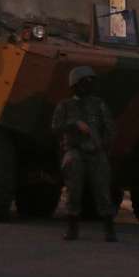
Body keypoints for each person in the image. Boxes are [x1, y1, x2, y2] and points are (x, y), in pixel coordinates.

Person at [50, 66, 117, 242]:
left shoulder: (99, 104)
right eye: (84, 82)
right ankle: (72, 228)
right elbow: (55, 128)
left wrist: (103, 146)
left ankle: (109, 229)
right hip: (75, 153)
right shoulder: (65, 105)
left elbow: (109, 128)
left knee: (103, 191)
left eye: (90, 81)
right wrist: (74, 123)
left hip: (96, 152)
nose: (88, 85)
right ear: (75, 84)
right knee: (74, 191)